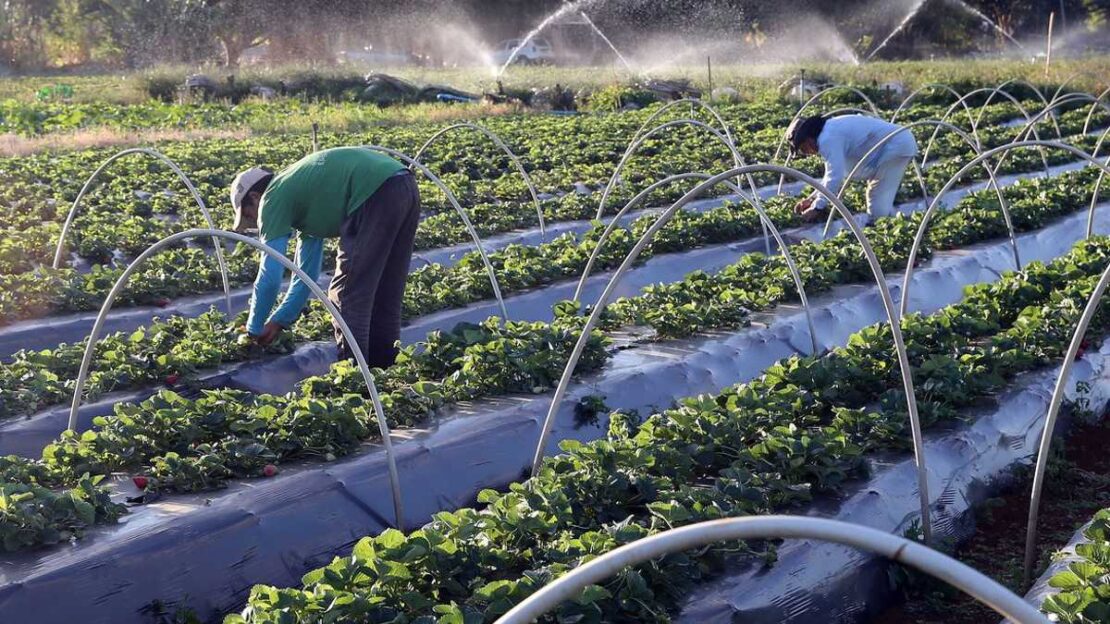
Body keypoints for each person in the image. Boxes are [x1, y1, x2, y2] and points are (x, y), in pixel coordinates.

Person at [230, 147, 420, 368]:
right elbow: (306, 276)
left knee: (346, 295)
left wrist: (253, 328)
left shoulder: (272, 198)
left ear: (255, 197)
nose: (254, 222)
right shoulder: (301, 194)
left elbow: (271, 275)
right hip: (403, 184)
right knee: (385, 292)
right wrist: (279, 320)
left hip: (373, 191)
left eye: (248, 215)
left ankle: (357, 381)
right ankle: (384, 374)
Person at [786, 114, 918, 222]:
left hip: (897, 145)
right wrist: (812, 199)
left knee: (877, 197)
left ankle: (882, 230)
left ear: (808, 139)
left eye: (803, 148)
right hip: (894, 144)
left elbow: (835, 177)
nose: (806, 153)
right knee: (879, 195)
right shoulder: (829, 130)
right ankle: (891, 224)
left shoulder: (828, 139)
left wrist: (817, 208)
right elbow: (830, 175)